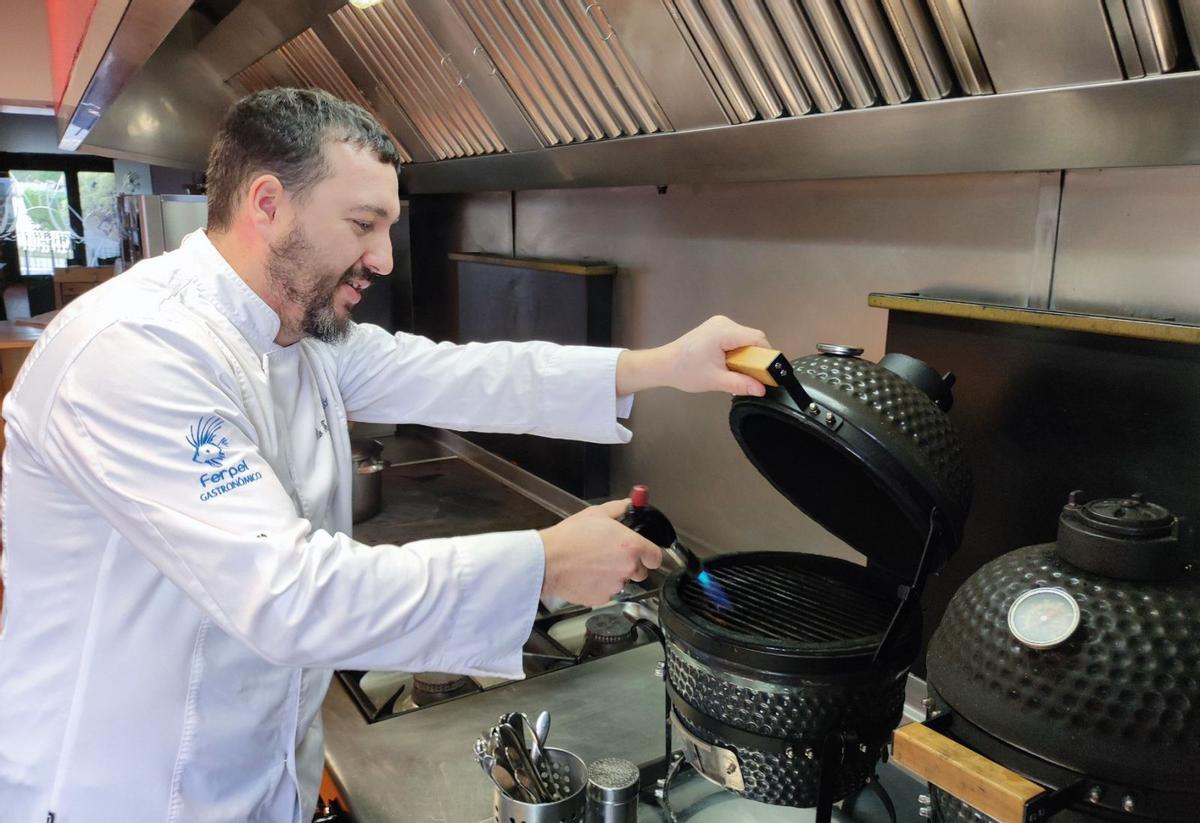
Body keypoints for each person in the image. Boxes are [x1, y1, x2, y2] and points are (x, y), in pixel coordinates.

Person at [0, 88, 769, 823]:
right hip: (122, 792)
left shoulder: (295, 334)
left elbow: (466, 374)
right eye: (363, 224)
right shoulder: (136, 349)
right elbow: (290, 594)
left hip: (260, 783)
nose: (386, 258)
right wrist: (547, 563)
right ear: (267, 205)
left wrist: (664, 363)